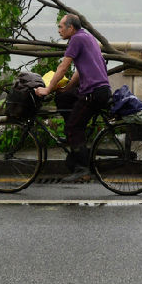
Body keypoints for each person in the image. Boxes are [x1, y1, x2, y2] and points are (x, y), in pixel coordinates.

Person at [35, 14, 111, 181]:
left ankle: (82, 169)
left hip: (93, 92)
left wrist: (48, 89)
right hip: (99, 90)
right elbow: (78, 71)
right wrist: (66, 87)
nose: (59, 30)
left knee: (73, 127)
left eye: (61, 26)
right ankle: (75, 139)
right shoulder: (87, 37)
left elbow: (63, 67)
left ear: (71, 28)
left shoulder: (76, 39)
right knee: (64, 98)